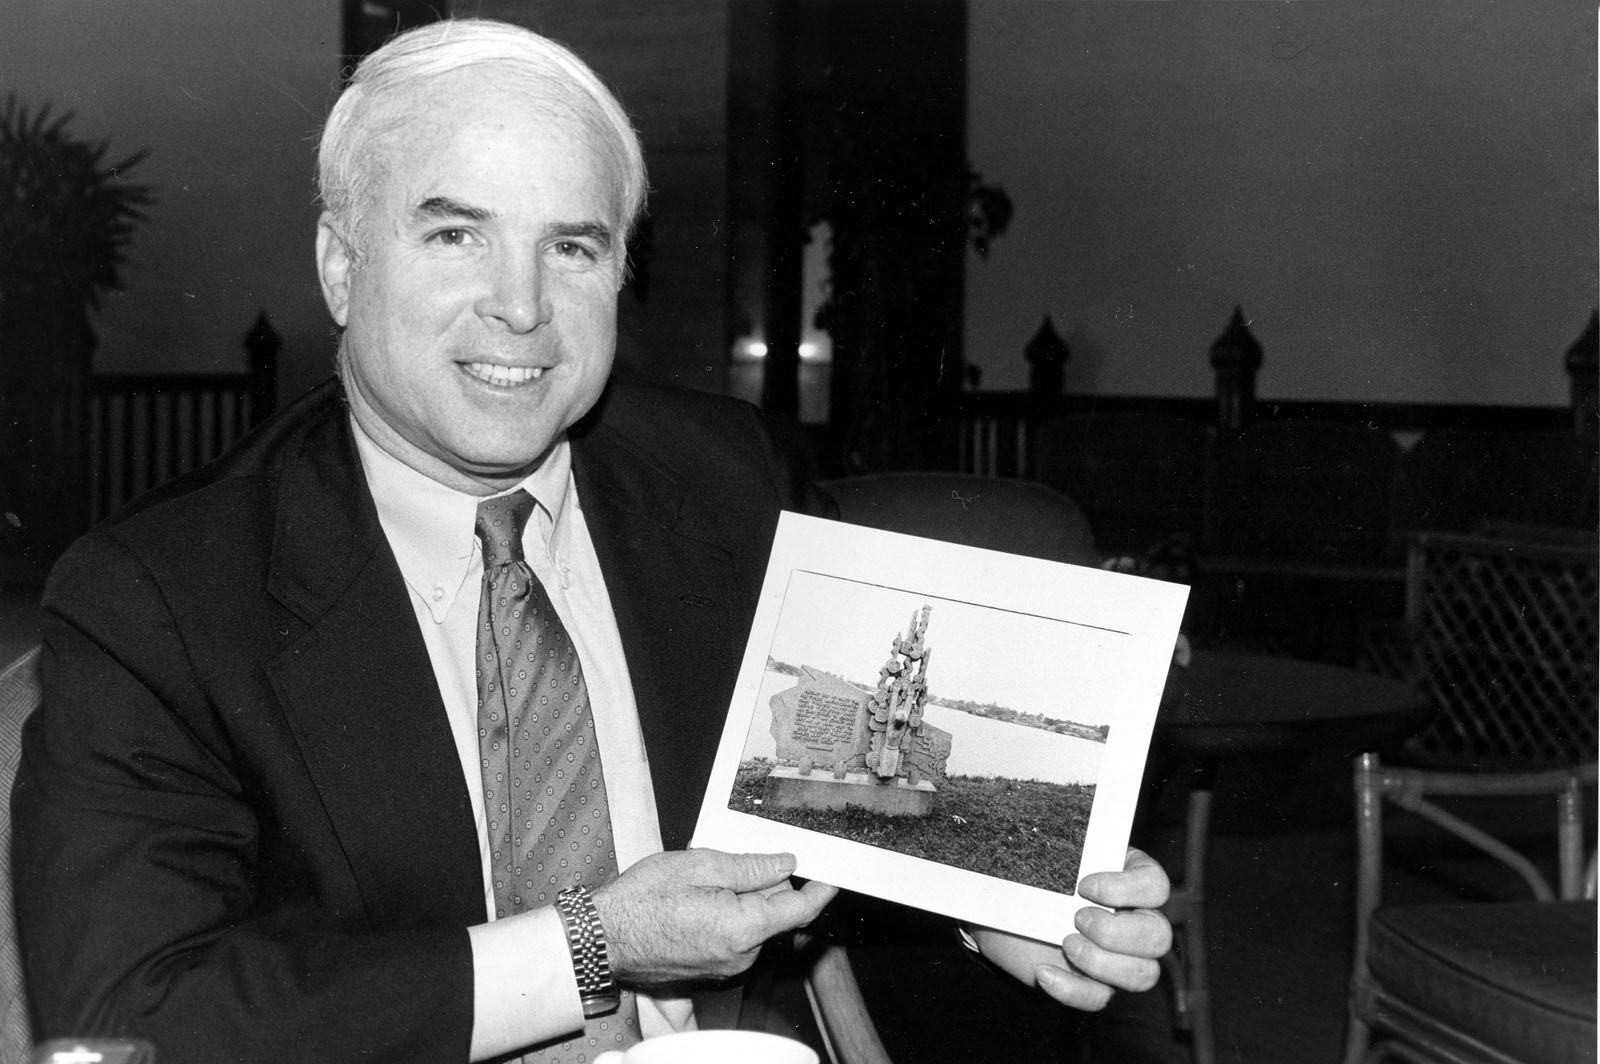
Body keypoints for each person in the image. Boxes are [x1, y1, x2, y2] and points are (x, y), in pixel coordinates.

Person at [12, 19, 1171, 1063]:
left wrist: (999, 908)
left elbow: (834, 813)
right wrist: (585, 943)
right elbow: (130, 1013)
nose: (521, 306)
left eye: (571, 247)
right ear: (339, 266)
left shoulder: (729, 481)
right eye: (456, 234)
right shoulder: (162, 594)